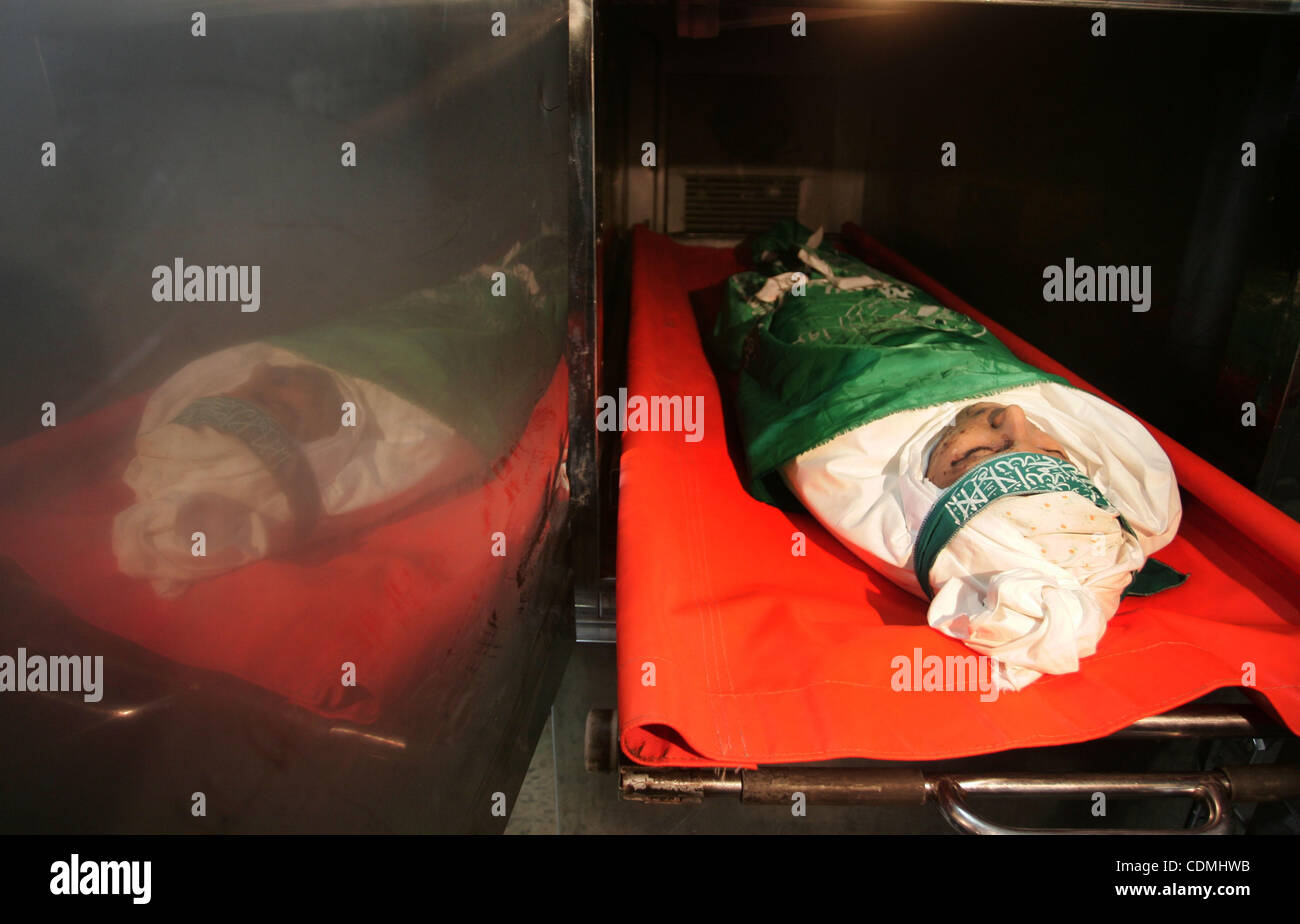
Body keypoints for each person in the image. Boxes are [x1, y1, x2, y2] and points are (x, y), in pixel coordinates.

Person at [708, 221, 1185, 691]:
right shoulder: (1025, 413)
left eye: (980, 450)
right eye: (1049, 449)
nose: (1014, 415)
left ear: (919, 484)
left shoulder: (845, 441)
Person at [113, 234, 566, 597]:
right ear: (322, 444)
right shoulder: (394, 435)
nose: (267, 369)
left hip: (380, 336)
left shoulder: (283, 362)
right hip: (438, 369)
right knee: (495, 322)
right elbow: (443, 440)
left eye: (256, 383)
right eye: (275, 399)